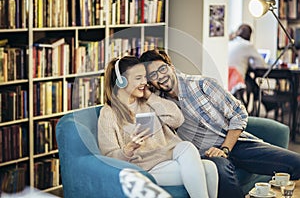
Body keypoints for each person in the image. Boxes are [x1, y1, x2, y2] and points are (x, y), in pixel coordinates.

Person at [140, 49, 300, 198]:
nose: (160, 76)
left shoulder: (202, 85)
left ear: (171, 67)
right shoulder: (158, 103)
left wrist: (225, 148)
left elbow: (238, 114)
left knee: (296, 163)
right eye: (153, 74)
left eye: (162, 69)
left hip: (236, 144)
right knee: (221, 172)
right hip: (206, 155)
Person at [97, 56, 218, 198]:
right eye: (138, 78)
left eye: (144, 77)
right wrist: (129, 149)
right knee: (207, 169)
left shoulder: (147, 101)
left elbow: (177, 119)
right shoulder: (109, 113)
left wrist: (149, 97)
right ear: (121, 81)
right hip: (146, 168)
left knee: (204, 161)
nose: (144, 82)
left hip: (170, 157)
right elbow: (109, 156)